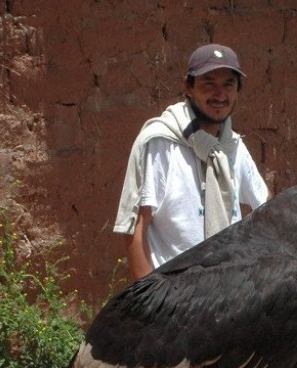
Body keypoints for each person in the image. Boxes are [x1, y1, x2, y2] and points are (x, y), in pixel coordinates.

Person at [113, 43, 270, 280]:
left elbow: (265, 207)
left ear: (238, 90)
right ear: (188, 86)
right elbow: (135, 228)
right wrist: (147, 302)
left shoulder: (232, 146)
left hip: (226, 293)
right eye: (209, 84)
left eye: (228, 85)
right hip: (176, 299)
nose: (220, 95)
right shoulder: (159, 143)